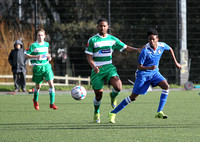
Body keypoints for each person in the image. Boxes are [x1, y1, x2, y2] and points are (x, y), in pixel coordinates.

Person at [108, 27, 182, 123]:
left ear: (157, 39)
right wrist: (149, 68)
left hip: (155, 74)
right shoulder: (145, 51)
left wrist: (176, 63)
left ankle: (159, 111)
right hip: (143, 75)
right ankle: (113, 113)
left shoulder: (162, 46)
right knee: (133, 97)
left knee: (166, 86)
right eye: (149, 39)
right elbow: (139, 67)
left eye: (153, 39)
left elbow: (170, 49)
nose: (151, 41)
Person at [85, 18, 141, 123]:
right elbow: (88, 56)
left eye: (104, 26)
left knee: (118, 87)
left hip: (109, 67)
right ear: (97, 27)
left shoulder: (112, 39)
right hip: (97, 69)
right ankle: (96, 112)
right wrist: (94, 67)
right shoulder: (92, 40)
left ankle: (113, 95)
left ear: (108, 27)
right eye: (100, 26)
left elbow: (125, 47)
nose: (102, 28)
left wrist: (137, 50)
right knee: (99, 95)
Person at [25, 29, 58, 110]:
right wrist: (36, 56)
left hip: (46, 66)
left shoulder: (46, 44)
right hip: (37, 67)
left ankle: (52, 103)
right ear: (36, 36)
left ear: (44, 36)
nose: (40, 37)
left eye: (42, 35)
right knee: (38, 86)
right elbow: (26, 55)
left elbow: (46, 53)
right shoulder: (33, 45)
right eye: (38, 35)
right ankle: (35, 100)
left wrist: (48, 56)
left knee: (51, 84)